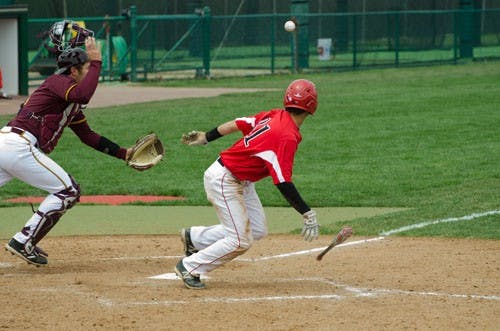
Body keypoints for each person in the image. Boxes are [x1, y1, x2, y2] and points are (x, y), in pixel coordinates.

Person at [176, 79, 320, 289]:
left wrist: (207, 136)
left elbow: (237, 123)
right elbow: (282, 182)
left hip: (238, 179)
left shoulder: (274, 115)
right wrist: (306, 212)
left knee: (257, 229)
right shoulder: (286, 135)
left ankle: (194, 238)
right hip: (225, 180)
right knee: (240, 241)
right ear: (312, 105)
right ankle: (189, 266)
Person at [1, 37, 131, 266]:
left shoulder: (67, 101)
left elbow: (88, 136)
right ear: (73, 70)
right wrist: (97, 61)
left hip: (9, 144)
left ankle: (25, 241)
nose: (91, 73)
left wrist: (124, 154)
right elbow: (83, 94)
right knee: (68, 191)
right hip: (18, 146)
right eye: (87, 69)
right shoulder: (57, 82)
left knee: (66, 191)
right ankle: (23, 241)